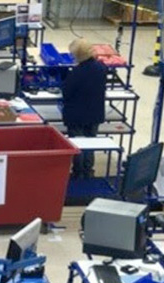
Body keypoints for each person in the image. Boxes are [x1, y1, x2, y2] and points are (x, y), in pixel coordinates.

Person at [62, 38, 107, 179]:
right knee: (90, 143)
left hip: (76, 116)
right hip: (94, 114)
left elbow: (66, 93)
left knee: (78, 144)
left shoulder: (76, 73)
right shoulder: (101, 68)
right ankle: (88, 171)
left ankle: (78, 173)